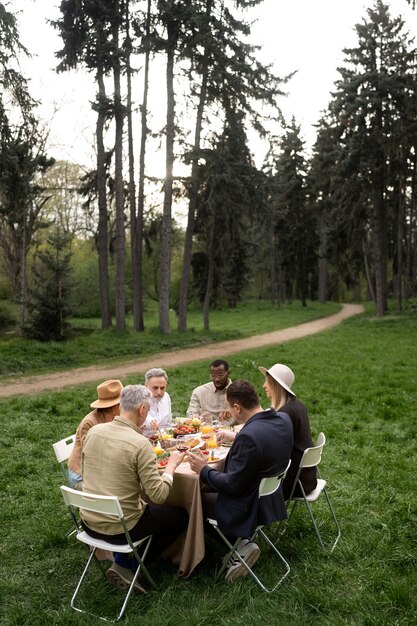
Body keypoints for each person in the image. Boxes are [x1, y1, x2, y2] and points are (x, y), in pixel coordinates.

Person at [80, 384, 188, 592]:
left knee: (142, 507)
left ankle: (121, 562)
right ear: (142, 409)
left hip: (88, 521)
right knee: (180, 515)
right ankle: (131, 566)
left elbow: (87, 473)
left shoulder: (94, 432)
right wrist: (172, 466)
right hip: (121, 529)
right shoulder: (140, 443)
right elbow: (159, 495)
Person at [188, 380, 293, 582]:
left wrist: (203, 470)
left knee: (193, 501)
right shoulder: (282, 419)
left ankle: (240, 546)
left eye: (229, 406)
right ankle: (240, 546)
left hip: (248, 505)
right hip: (270, 496)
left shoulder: (249, 436)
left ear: (237, 407)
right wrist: (235, 437)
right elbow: (262, 442)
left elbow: (233, 485)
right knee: (207, 488)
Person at [258, 363, 317, 500]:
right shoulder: (297, 404)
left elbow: (269, 447)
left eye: (267, 382)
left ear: (276, 386)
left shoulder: (285, 413)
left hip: (293, 482)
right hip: (307, 477)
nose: (263, 386)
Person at [67, 379, 123, 489]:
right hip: (82, 476)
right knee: (122, 487)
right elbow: (93, 457)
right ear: (115, 406)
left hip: (104, 471)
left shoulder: (120, 416)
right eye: (124, 403)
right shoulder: (89, 423)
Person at [142, 367, 172, 434]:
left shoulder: (166, 397)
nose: (159, 392)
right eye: (155, 388)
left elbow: (169, 423)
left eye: (162, 388)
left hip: (164, 438)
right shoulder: (139, 401)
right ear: (146, 386)